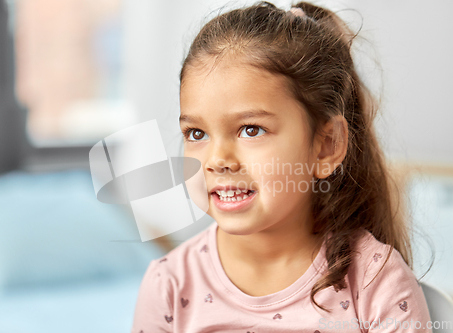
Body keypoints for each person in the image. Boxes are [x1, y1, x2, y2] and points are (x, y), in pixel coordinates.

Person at [131, 1, 432, 332]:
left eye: (251, 130)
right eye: (197, 133)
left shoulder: (377, 281)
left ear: (326, 146)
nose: (217, 160)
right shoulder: (168, 285)